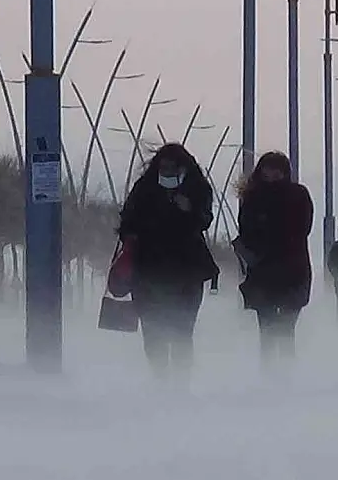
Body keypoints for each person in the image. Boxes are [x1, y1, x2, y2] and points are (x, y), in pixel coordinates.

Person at [117, 142, 218, 382]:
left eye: (174, 168)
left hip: (186, 270)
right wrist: (134, 232)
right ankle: (160, 380)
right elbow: (127, 222)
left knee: (182, 330)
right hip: (148, 269)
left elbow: (204, 220)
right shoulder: (144, 189)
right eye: (164, 167)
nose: (168, 173)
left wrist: (189, 210)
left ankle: (181, 383)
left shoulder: (197, 189)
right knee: (153, 331)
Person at [234, 151, 314, 372]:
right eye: (268, 169)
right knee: (267, 326)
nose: (272, 174)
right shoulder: (252, 197)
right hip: (265, 269)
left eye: (276, 169)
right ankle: (270, 373)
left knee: (286, 325)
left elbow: (303, 228)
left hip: (291, 268)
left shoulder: (297, 194)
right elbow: (246, 229)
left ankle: (285, 374)